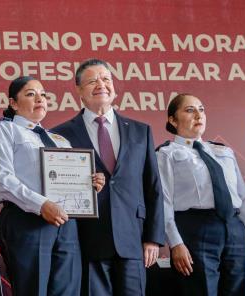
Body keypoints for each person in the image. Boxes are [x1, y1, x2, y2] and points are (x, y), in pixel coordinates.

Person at [0, 76, 105, 296]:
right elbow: (2, 180)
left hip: (65, 224)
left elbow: (72, 182)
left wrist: (91, 182)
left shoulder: (59, 140)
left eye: (43, 95)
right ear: (13, 103)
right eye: (30, 94)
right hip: (27, 220)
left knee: (68, 291)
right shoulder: (3, 131)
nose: (40, 99)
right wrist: (42, 205)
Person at [52, 59, 165, 296]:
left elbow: (152, 186)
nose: (101, 85)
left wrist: (153, 238)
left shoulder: (140, 130)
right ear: (79, 91)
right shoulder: (61, 135)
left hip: (133, 240)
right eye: (92, 81)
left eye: (106, 79)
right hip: (87, 241)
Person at [156, 93, 245, 295]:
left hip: (234, 228)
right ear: (172, 120)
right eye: (189, 110)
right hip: (196, 228)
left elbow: (243, 197)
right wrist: (176, 243)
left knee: (239, 287)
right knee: (202, 289)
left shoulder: (223, 151)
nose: (198, 115)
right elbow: (163, 202)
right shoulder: (166, 154)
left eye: (201, 109)